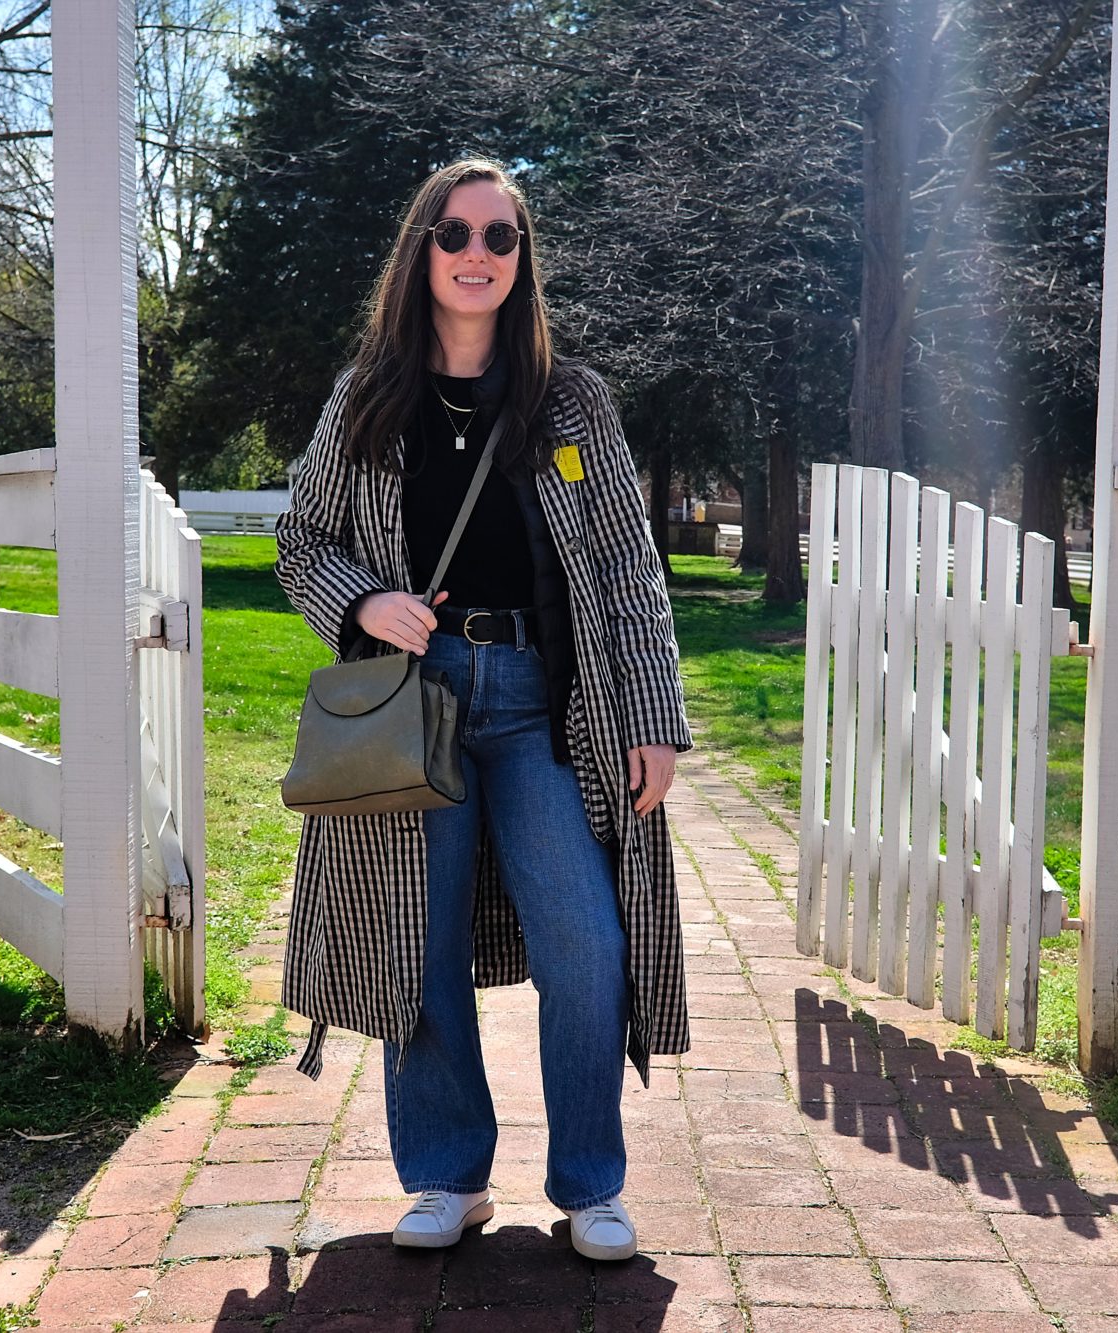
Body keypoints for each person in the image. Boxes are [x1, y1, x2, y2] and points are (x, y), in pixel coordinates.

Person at [274, 158, 693, 1263]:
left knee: (588, 941)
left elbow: (625, 569)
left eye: (500, 237)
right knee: (417, 942)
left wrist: (653, 717)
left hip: (548, 707)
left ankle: (588, 1182)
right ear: (421, 249)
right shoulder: (367, 397)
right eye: (454, 232)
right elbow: (299, 538)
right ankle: (446, 1175)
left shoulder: (569, 401)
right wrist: (363, 598)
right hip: (416, 706)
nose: (476, 253)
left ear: (521, 259)